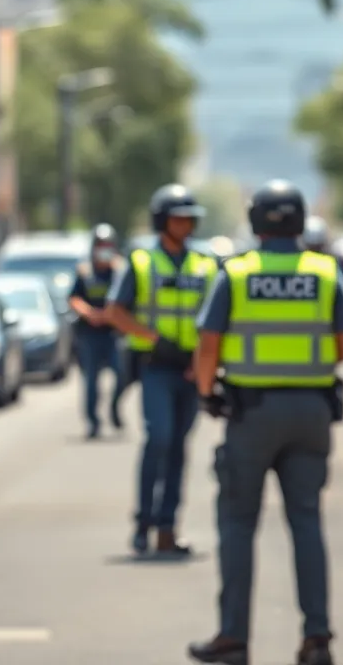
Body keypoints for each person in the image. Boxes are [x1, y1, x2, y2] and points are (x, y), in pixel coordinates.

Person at [189, 179, 343, 665]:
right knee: (306, 521)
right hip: (312, 412)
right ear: (301, 221)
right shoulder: (324, 273)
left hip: (252, 413)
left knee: (239, 523)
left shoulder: (236, 274)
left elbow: (208, 345)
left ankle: (233, 639)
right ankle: (317, 639)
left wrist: (208, 393)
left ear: (256, 222)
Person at [105, 185, 218, 556]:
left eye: (190, 218)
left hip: (190, 370)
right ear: (162, 221)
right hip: (156, 367)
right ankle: (143, 522)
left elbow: (218, 320)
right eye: (178, 217)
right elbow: (115, 312)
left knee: (179, 450)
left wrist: (203, 363)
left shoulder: (206, 265)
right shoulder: (140, 262)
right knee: (160, 439)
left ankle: (168, 529)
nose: (185, 224)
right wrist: (152, 338)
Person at [68, 223, 125, 437]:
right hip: (90, 334)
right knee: (91, 381)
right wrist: (90, 313)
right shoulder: (84, 271)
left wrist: (113, 315)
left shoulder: (120, 270)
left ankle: (114, 409)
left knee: (122, 375)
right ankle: (93, 422)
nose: (104, 250)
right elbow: (74, 298)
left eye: (108, 245)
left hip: (113, 333)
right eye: (101, 246)